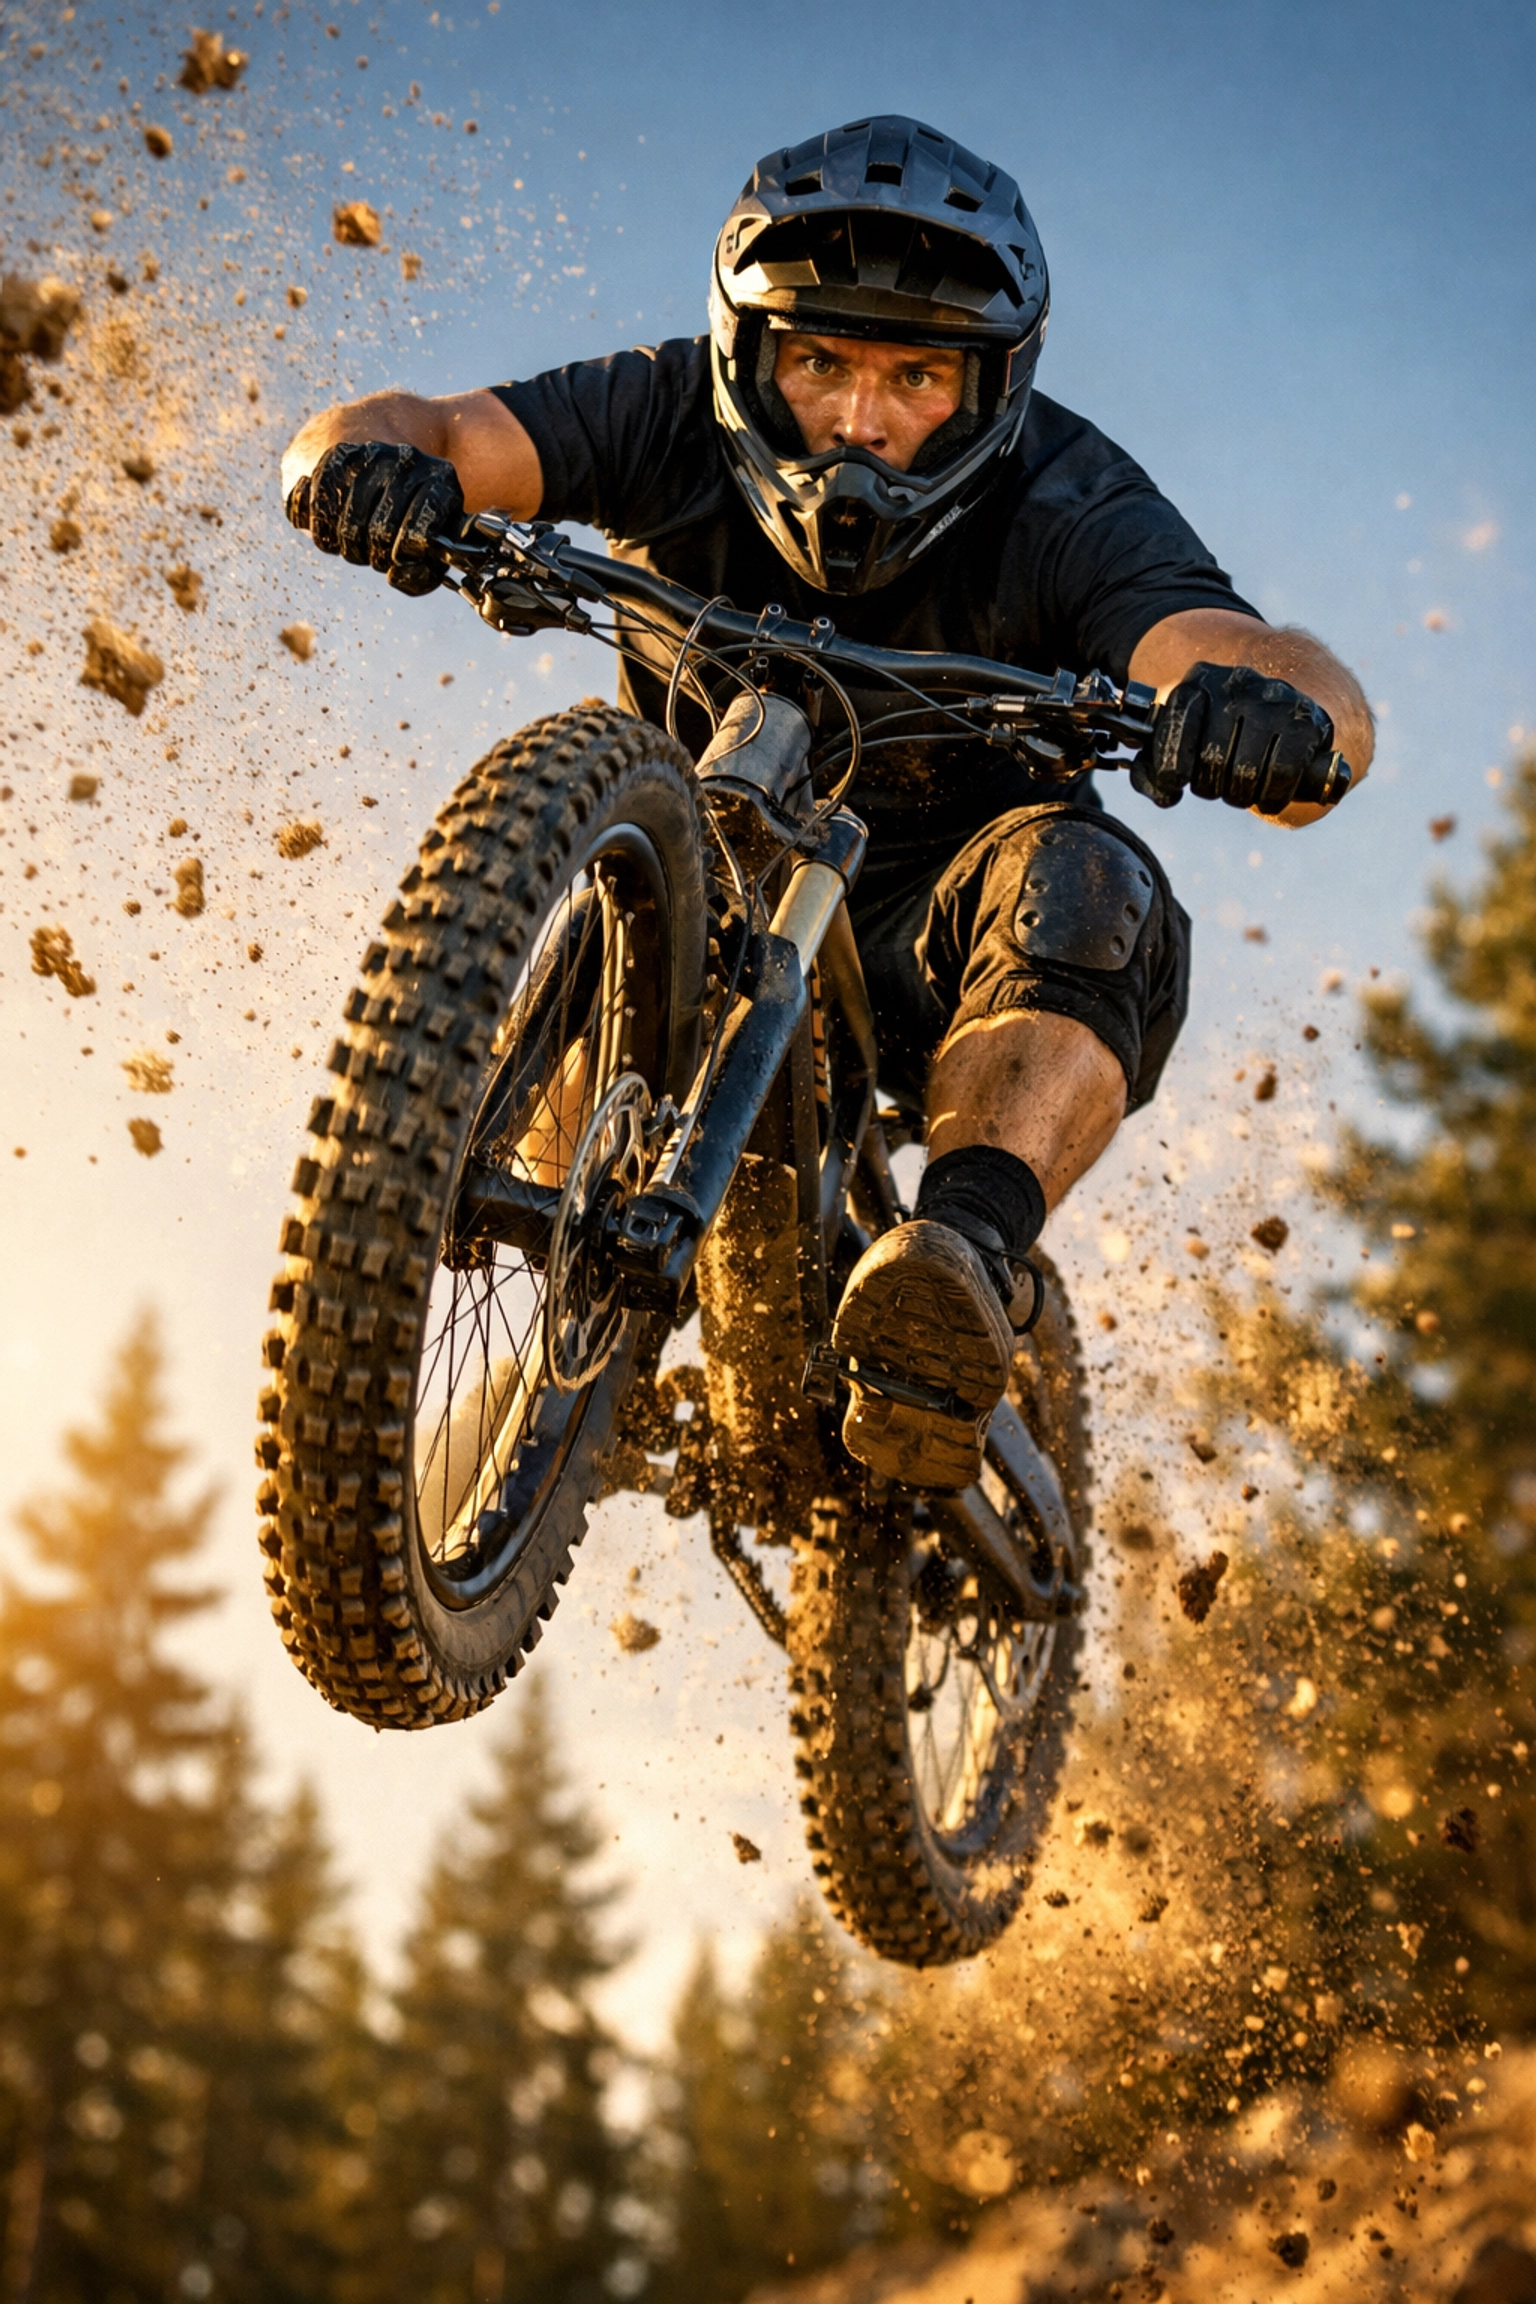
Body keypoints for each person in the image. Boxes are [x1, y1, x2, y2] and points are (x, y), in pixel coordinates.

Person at [282, 115, 1372, 1491]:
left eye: (915, 375)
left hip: (949, 944)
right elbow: (430, 425)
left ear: (988, 390)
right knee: (625, 929)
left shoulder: (1069, 498)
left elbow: (1259, 656)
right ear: (750, 353)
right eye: (820, 364)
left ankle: (958, 1263)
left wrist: (1271, 713)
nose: (861, 421)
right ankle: (547, 1345)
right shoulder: (661, 408)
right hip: (694, 889)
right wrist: (361, 463)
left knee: (1089, 877)